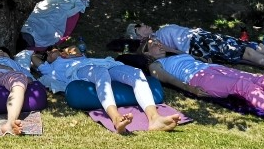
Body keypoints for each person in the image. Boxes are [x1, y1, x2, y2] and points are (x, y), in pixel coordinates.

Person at [144, 39, 264, 125]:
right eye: (153, 45)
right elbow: (168, 80)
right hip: (199, 79)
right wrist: (191, 90)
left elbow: (182, 54)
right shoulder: (155, 66)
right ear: (145, 52)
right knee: (244, 87)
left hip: (210, 70)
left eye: (159, 42)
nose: (159, 45)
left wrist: (166, 47)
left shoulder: (172, 56)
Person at [32, 46, 179, 134]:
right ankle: (116, 118)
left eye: (55, 50)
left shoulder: (78, 55)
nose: (53, 52)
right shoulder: (50, 67)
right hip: (82, 71)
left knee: (137, 73)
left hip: (107, 64)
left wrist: (70, 53)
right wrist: (39, 55)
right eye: (50, 53)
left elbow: (76, 51)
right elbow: (33, 58)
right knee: (100, 74)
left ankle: (155, 118)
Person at [126, 23, 264, 73]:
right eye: (140, 26)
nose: (144, 25)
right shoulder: (152, 41)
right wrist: (197, 58)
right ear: (138, 34)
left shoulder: (159, 31)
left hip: (204, 37)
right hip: (200, 44)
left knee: (252, 46)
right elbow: (173, 52)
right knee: (248, 53)